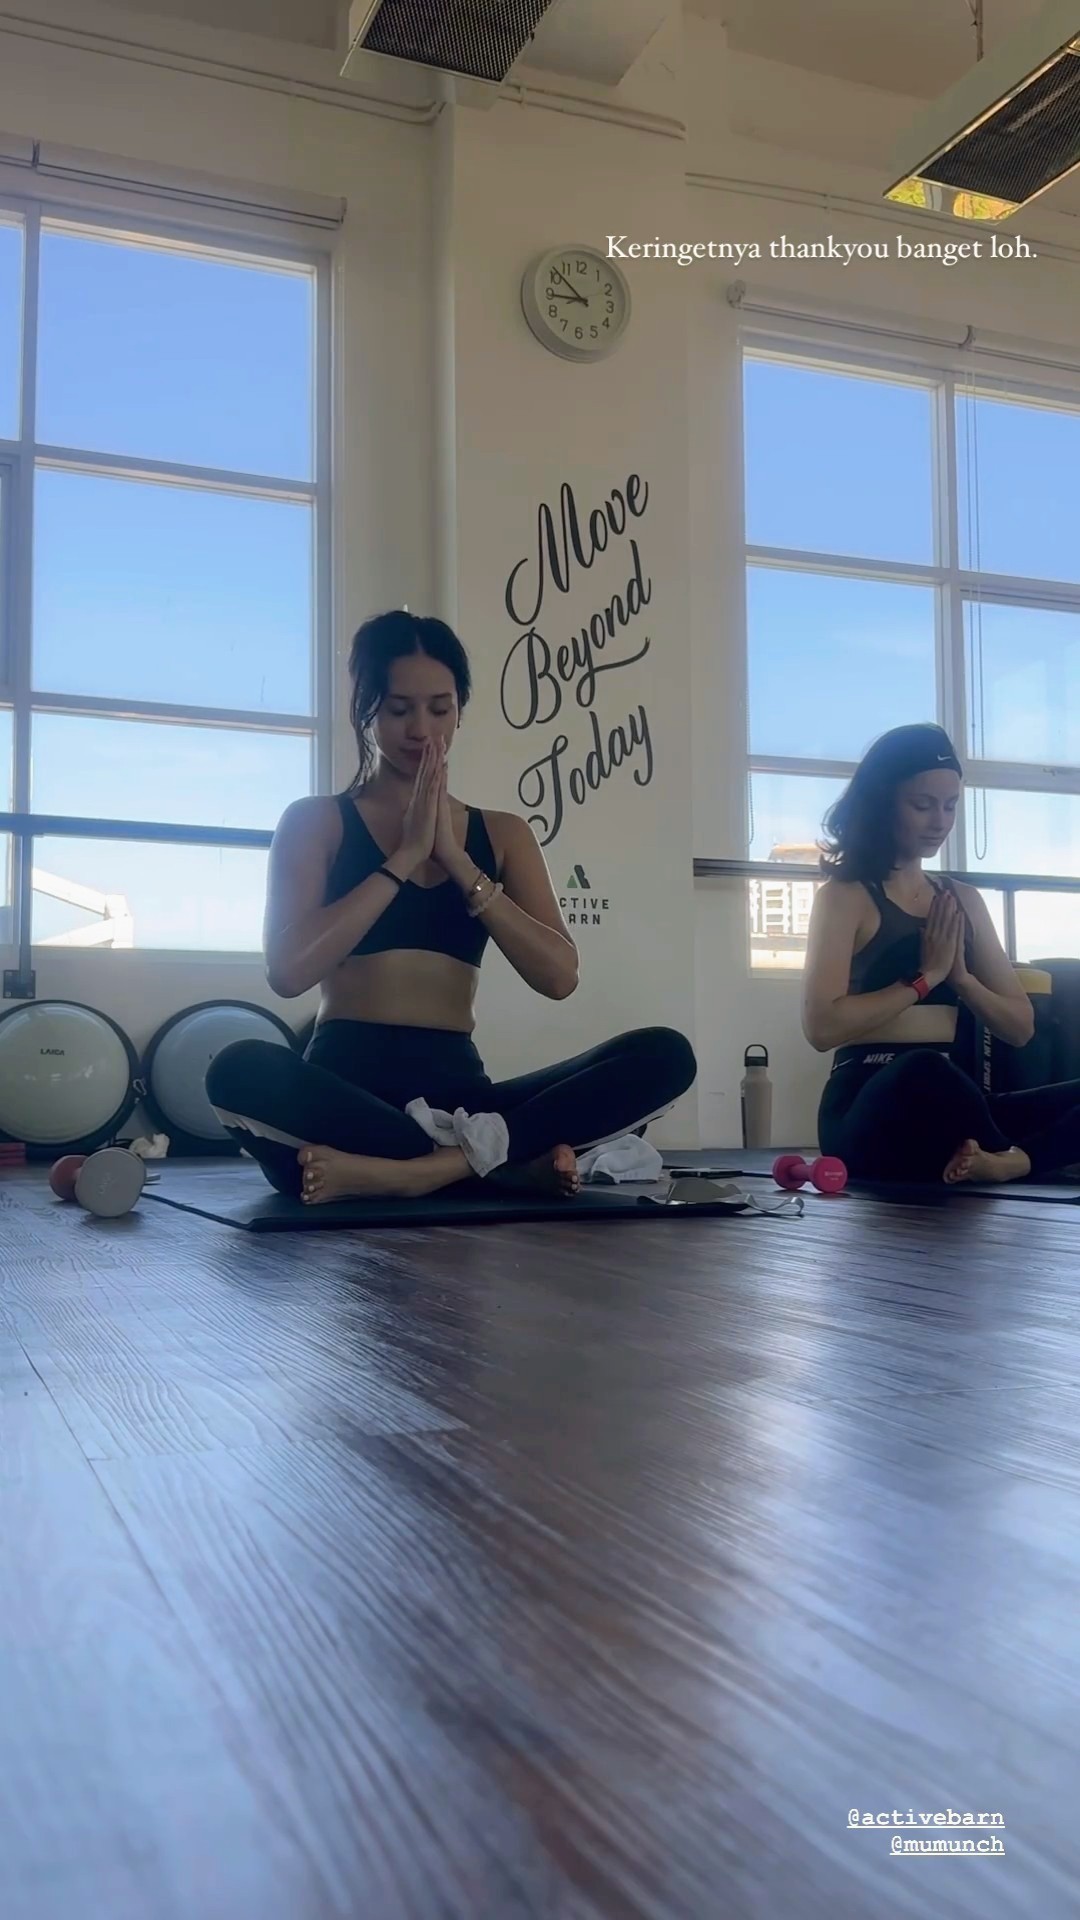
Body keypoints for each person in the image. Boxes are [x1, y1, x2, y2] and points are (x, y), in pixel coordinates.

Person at [207, 610, 695, 1204]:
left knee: (663, 1056)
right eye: (398, 710)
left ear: (460, 709)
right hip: (346, 1094)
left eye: (440, 708)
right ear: (365, 710)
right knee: (238, 1068)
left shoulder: (504, 834)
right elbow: (287, 973)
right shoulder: (318, 821)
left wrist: (459, 864)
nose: (421, 729)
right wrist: (404, 858)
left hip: (464, 1099)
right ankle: (492, 1166)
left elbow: (559, 976)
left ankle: (421, 1172)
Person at [802, 721, 1080, 1187]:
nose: (940, 822)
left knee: (945, 1075)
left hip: (955, 1104)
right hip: (866, 1105)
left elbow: (1020, 1027)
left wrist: (962, 979)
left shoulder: (963, 900)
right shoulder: (845, 897)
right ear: (884, 802)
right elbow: (822, 1028)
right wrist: (924, 979)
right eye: (923, 805)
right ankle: (1016, 1153)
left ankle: (1012, 1161)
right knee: (923, 1068)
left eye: (950, 805)